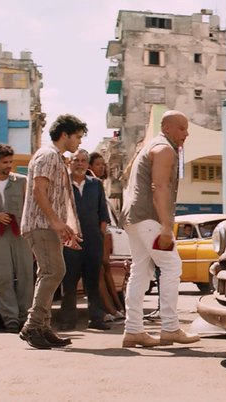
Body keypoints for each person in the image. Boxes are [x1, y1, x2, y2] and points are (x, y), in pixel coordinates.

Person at [121, 110, 199, 348]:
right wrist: (166, 226)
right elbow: (160, 188)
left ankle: (133, 330)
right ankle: (170, 328)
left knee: (140, 271)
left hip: (134, 217)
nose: (187, 133)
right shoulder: (163, 149)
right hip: (149, 218)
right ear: (166, 128)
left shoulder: (151, 147)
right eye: (181, 128)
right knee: (171, 266)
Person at [19, 114, 86, 349]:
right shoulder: (48, 155)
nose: (79, 142)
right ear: (64, 135)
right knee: (54, 272)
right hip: (41, 224)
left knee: (49, 273)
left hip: (47, 225)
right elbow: (39, 190)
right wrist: (56, 222)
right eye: (77, 137)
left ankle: (43, 328)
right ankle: (32, 326)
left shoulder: (57, 158)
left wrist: (64, 227)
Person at [0, 144, 35, 333]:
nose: (9, 165)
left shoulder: (22, 181)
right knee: (3, 278)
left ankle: (25, 318)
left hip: (21, 234)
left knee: (26, 275)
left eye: (10, 161)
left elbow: (31, 207)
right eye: (4, 162)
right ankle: (10, 320)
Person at [58, 149, 111, 331]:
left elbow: (103, 214)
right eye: (76, 160)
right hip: (70, 242)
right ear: (69, 163)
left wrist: (100, 236)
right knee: (69, 283)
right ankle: (67, 321)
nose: (79, 163)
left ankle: (97, 319)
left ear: (88, 164)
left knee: (93, 283)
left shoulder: (95, 185)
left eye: (83, 160)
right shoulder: (63, 185)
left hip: (93, 241)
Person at [88, 152, 125, 321]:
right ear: (90, 166)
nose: (102, 167)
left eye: (103, 164)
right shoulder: (89, 184)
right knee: (100, 270)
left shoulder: (98, 184)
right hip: (92, 232)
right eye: (97, 164)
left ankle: (117, 308)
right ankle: (109, 309)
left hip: (103, 231)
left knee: (106, 268)